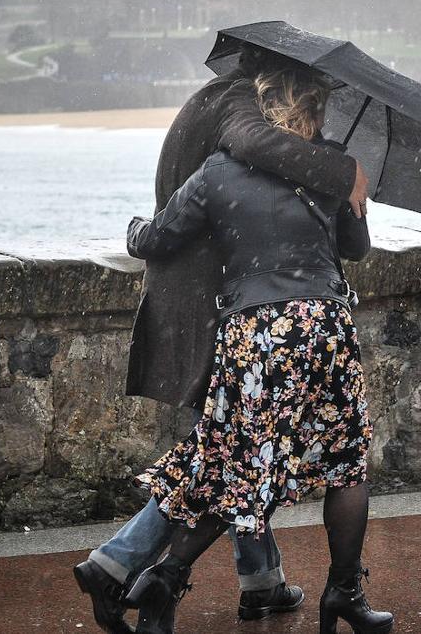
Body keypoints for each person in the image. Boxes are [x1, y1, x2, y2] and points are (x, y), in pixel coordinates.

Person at [73, 46, 371, 634]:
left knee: (234, 464)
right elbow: (355, 252)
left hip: (256, 334)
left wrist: (133, 230)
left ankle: (152, 574)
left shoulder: (219, 173)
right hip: (327, 327)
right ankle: (334, 593)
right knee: (344, 465)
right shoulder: (330, 167)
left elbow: (156, 238)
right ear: (315, 112)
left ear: (261, 107)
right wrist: (353, 203)